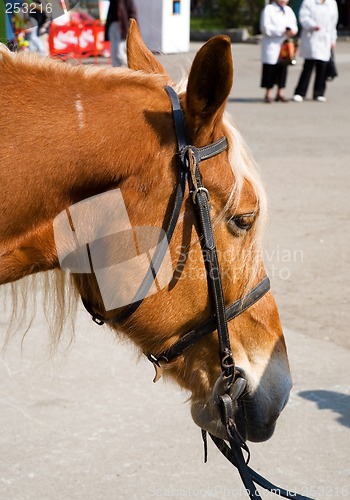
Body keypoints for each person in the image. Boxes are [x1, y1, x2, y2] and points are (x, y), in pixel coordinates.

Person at [293, 0, 338, 102]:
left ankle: (319, 93)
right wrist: (312, 25)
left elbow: (333, 23)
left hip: (325, 39)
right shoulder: (308, 2)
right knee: (308, 67)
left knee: (322, 67)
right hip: (312, 37)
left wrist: (333, 39)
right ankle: (300, 92)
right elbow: (303, 17)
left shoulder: (331, 3)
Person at [260, 0, 298, 103]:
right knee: (270, 69)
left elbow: (294, 25)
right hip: (271, 44)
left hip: (284, 45)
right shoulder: (269, 9)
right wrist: (282, 30)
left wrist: (291, 31)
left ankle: (280, 92)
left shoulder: (288, 10)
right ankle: (268, 93)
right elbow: (265, 27)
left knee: (283, 68)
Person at [105, 0, 138, 67]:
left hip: (122, 26)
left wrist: (132, 27)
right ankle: (116, 72)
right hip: (112, 24)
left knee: (120, 52)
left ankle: (133, 68)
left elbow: (132, 12)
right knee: (114, 53)